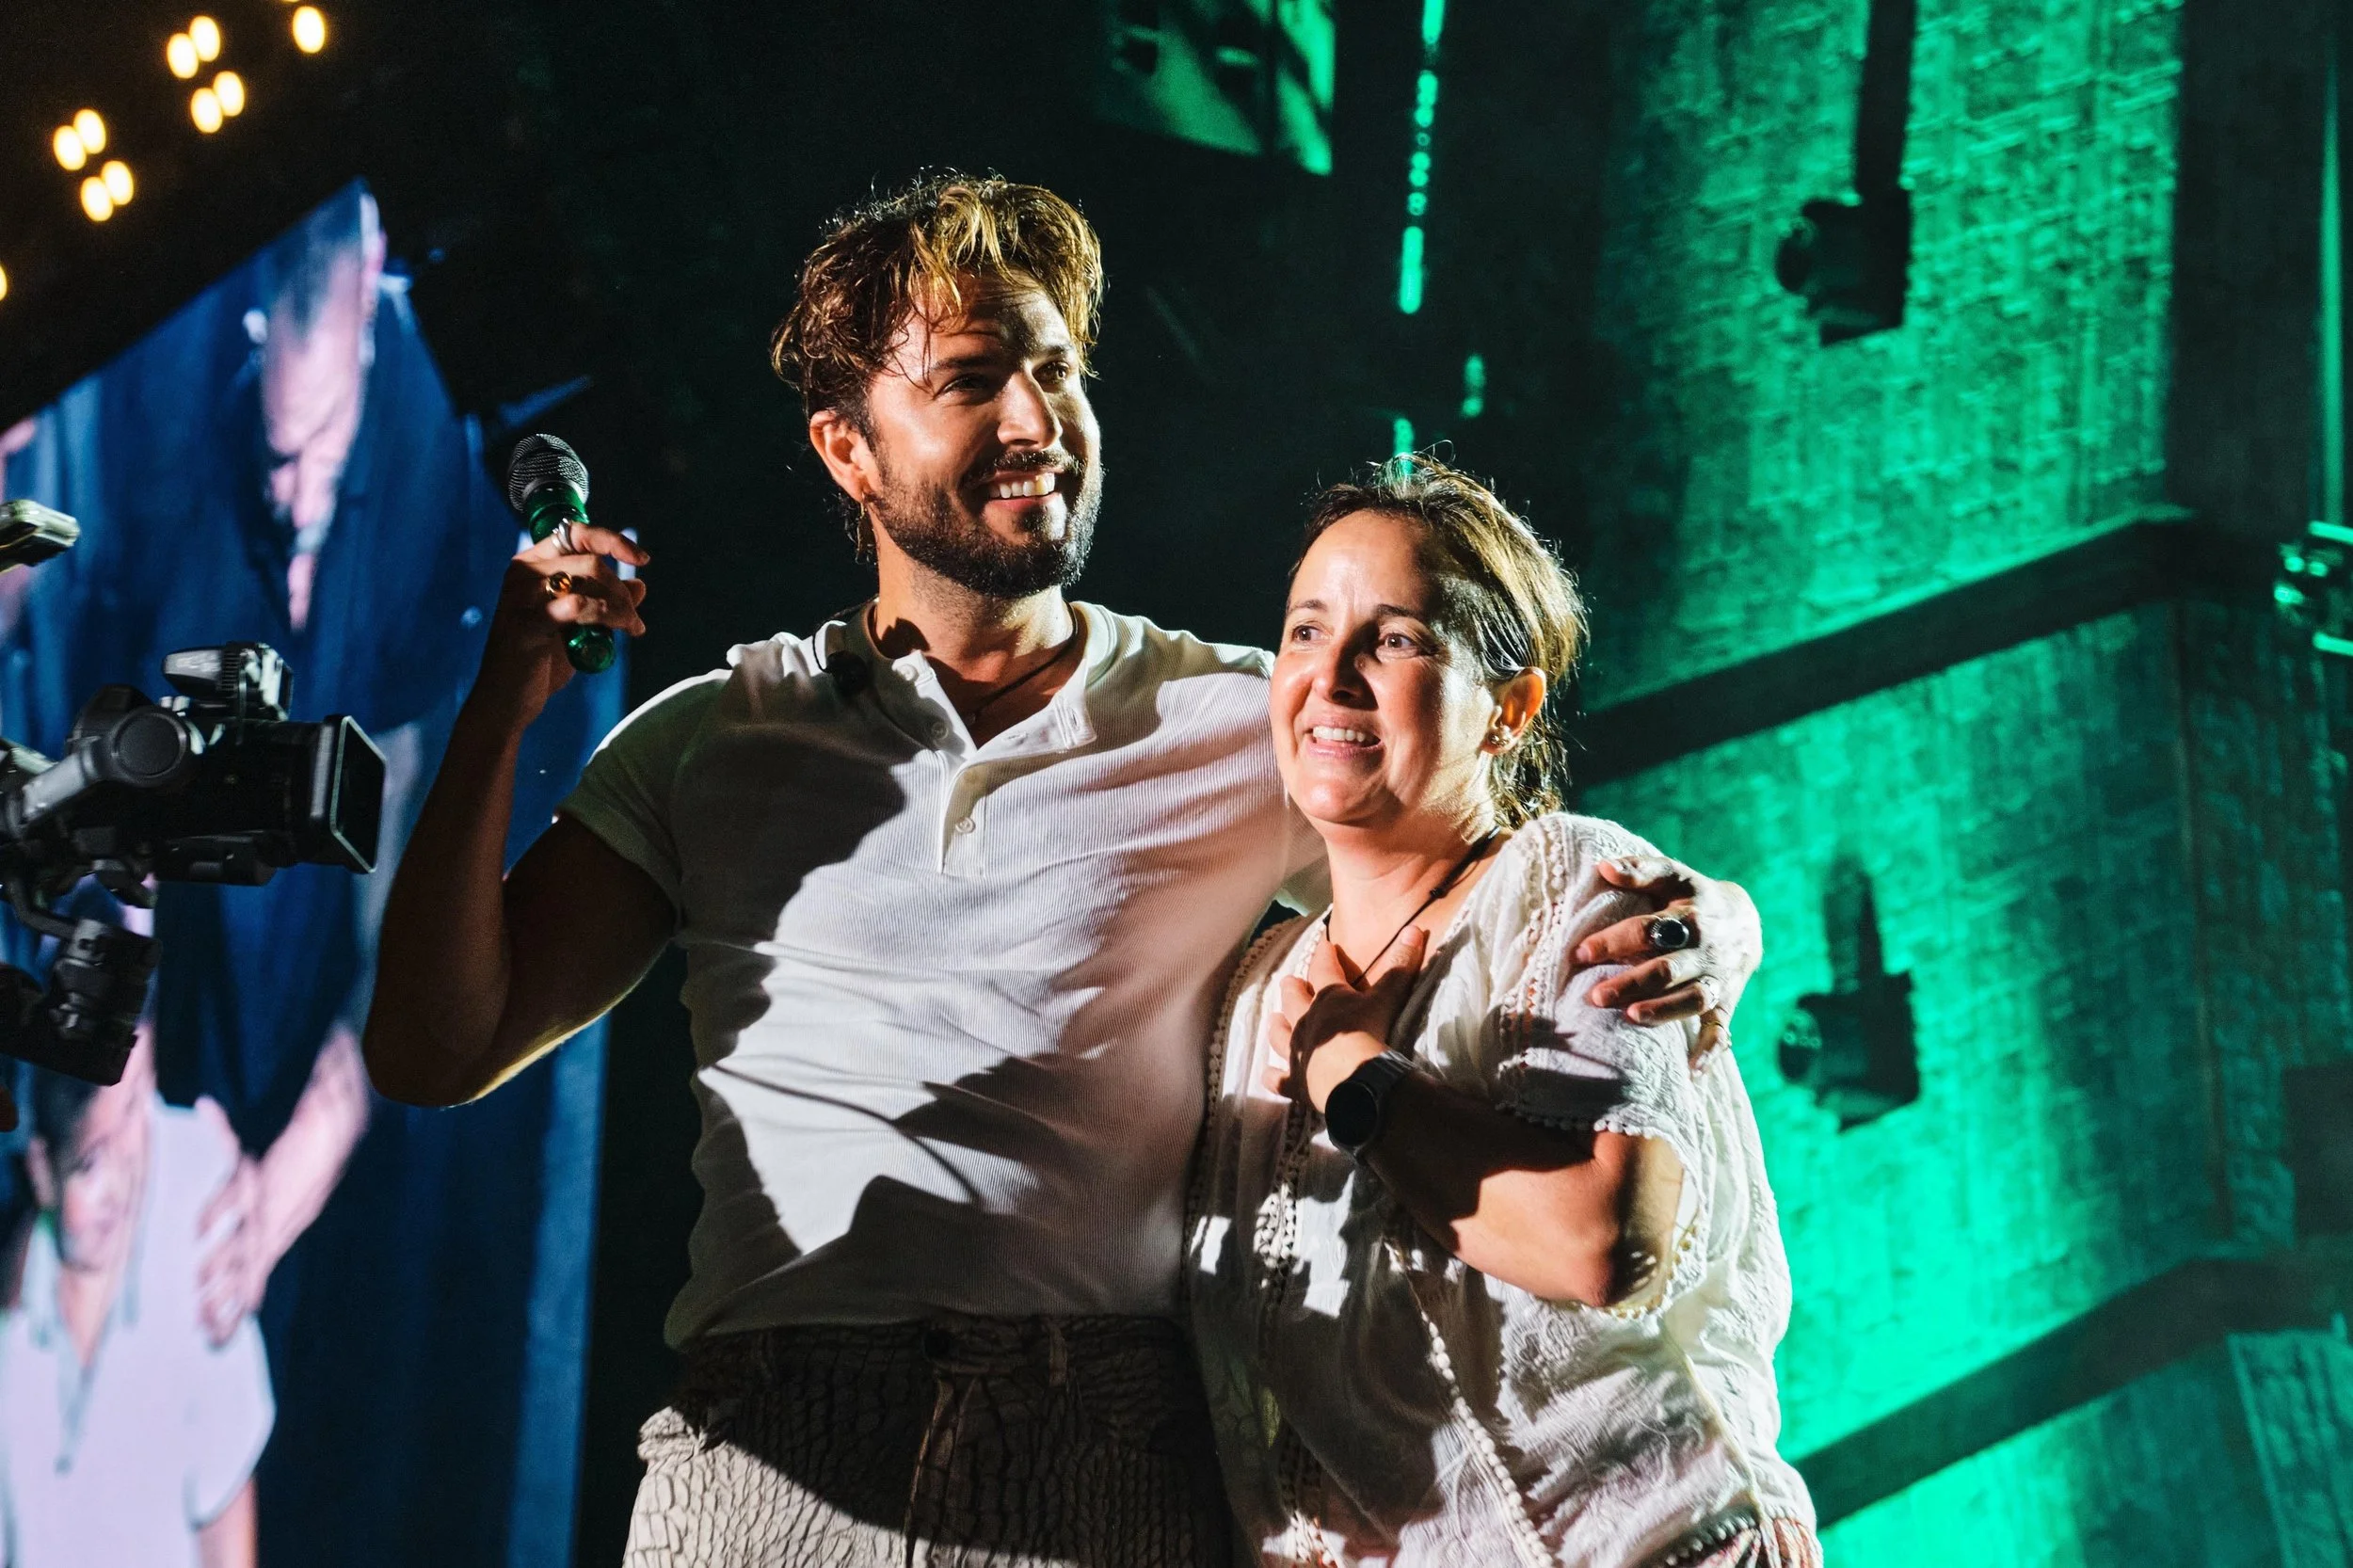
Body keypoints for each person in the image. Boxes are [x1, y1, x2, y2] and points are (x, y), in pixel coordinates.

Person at [362, 172, 1761, 1565]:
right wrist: (500, 707)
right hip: (766, 1462)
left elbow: (1479, 856)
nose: (1039, 420)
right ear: (848, 448)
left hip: (1101, 1451)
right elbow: (438, 1045)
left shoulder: (1243, 717)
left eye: (1059, 370)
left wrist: (1723, 924)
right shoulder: (714, 739)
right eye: (973, 380)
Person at [1188, 458, 1816, 1567]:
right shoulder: (1247, 999)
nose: (1329, 676)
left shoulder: (1581, 887)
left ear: (1508, 709)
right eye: (1302, 631)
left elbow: (1597, 1241)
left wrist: (1355, 1075)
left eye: (1394, 639)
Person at [0, 1032, 273, 1568]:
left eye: (130, 1120)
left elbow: (226, 1521)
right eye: (90, 1166)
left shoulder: (197, 1255)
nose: (119, 1186)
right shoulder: (14, 1318)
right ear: (41, 1170)